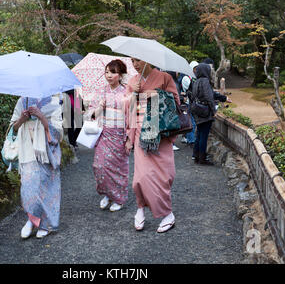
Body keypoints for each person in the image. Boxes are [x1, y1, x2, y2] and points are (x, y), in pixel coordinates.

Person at [125, 57, 180, 233]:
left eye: (138, 60)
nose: (135, 64)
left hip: (160, 131)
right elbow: (127, 108)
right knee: (140, 178)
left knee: (164, 176)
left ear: (148, 60)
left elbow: (176, 101)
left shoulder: (164, 77)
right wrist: (133, 94)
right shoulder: (133, 81)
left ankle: (167, 214)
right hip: (141, 132)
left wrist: (155, 95)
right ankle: (140, 208)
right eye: (132, 60)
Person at [10, 95, 63, 239]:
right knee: (28, 188)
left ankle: (43, 224)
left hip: (46, 152)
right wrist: (21, 119)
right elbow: (12, 129)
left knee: (45, 188)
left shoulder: (53, 102)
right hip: (27, 150)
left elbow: (58, 133)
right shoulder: (22, 101)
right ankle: (32, 220)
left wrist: (42, 117)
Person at [88, 60, 130, 212]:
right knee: (99, 166)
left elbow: (131, 116)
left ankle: (118, 198)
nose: (109, 75)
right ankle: (107, 193)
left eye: (112, 72)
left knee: (118, 168)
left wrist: (129, 139)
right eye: (106, 72)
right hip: (104, 133)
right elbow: (90, 114)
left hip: (120, 134)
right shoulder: (101, 91)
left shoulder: (127, 92)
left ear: (120, 75)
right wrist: (100, 107)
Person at [190, 63, 217, 165]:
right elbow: (209, 97)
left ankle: (196, 156)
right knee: (204, 136)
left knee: (199, 134)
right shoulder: (205, 81)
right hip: (205, 111)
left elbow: (193, 96)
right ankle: (202, 158)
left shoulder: (196, 81)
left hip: (197, 110)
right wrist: (214, 111)